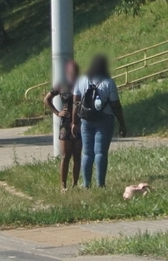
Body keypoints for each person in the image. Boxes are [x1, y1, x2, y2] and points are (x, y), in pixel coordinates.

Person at [73, 54, 127, 188]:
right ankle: (100, 184)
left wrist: (74, 122)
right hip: (105, 119)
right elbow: (115, 105)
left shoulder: (81, 80)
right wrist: (122, 123)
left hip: (85, 120)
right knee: (100, 152)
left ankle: (86, 184)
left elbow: (75, 103)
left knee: (87, 153)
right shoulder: (109, 82)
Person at [43, 58, 81, 189]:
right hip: (65, 123)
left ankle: (75, 184)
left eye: (75, 71)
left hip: (79, 122)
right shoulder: (61, 84)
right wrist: (57, 112)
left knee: (77, 155)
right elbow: (47, 99)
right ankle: (63, 185)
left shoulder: (81, 83)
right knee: (65, 156)